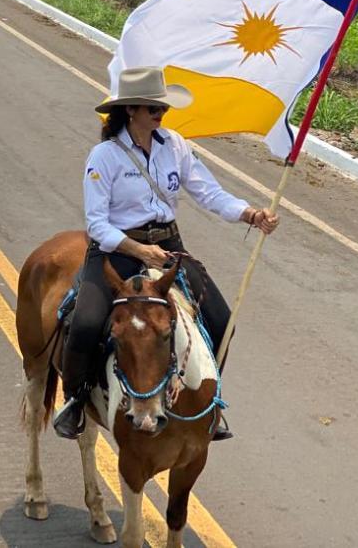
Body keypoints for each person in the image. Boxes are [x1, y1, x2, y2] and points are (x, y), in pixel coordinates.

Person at [52, 67, 281, 441]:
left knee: (223, 322)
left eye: (162, 107)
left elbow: (209, 193)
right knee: (86, 324)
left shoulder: (175, 145)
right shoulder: (104, 156)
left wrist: (250, 214)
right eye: (152, 107)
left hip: (170, 247)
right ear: (130, 110)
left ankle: (212, 400)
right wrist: (139, 249)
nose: (160, 114)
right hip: (117, 250)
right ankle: (75, 400)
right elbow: (96, 224)